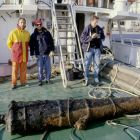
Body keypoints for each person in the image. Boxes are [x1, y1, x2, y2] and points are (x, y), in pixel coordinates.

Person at [80, 15, 105, 86]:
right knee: (87, 64)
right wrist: (91, 37)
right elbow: (82, 39)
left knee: (96, 65)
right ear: (91, 21)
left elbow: (103, 37)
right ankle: (86, 78)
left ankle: (96, 78)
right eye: (95, 22)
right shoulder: (87, 28)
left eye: (97, 22)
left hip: (97, 49)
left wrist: (99, 36)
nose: (96, 23)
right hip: (89, 50)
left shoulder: (99, 28)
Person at [30, 19, 55, 86]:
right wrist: (32, 55)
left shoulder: (47, 33)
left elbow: (51, 42)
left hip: (47, 54)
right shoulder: (33, 35)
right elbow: (31, 46)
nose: (39, 25)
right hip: (38, 54)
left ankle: (48, 79)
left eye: (40, 24)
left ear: (42, 24)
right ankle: (40, 80)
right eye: (37, 24)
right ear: (35, 25)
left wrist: (52, 50)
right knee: (40, 68)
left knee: (48, 68)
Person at [7, 18, 30, 89]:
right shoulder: (13, 32)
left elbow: (28, 44)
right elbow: (9, 43)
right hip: (16, 56)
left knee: (23, 70)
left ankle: (23, 82)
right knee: (15, 70)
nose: (22, 24)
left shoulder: (27, 33)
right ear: (18, 23)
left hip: (24, 55)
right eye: (21, 22)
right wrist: (15, 50)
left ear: (25, 24)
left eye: (24, 22)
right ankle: (14, 83)